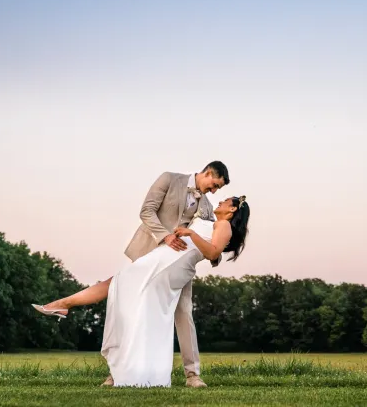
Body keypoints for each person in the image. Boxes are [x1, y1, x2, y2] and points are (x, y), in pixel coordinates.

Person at [33, 161, 232, 387]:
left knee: (184, 312)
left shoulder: (207, 206)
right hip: (150, 251)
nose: (214, 192)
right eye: (214, 185)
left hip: (177, 265)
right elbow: (146, 211)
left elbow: (213, 242)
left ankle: (192, 375)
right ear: (207, 172)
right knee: (127, 307)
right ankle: (117, 372)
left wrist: (213, 253)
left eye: (218, 189)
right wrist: (165, 236)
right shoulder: (169, 178)